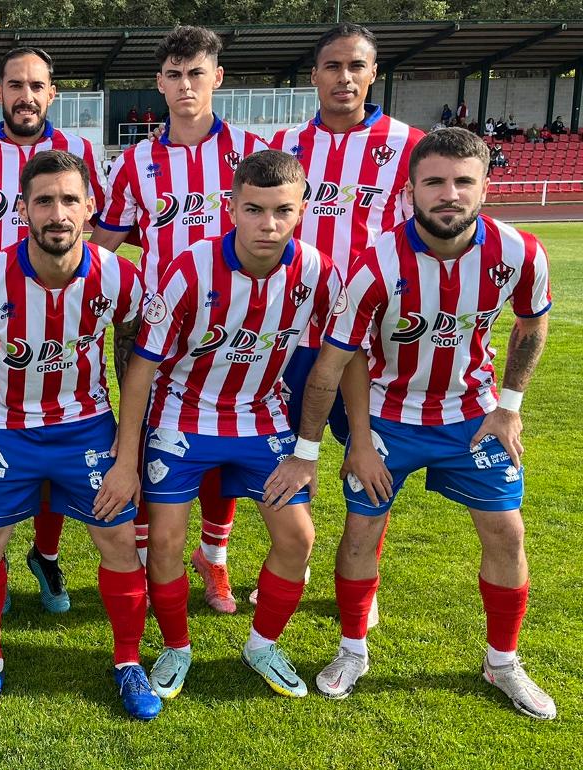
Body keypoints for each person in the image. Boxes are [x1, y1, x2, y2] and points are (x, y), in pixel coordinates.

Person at [264, 128, 556, 720]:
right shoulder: (377, 264)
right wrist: (348, 444)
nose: (449, 194)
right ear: (411, 191)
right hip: (389, 420)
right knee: (362, 534)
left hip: (472, 419)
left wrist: (509, 406)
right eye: (435, 182)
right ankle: (353, 650)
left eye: (463, 182)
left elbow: (531, 324)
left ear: (484, 188)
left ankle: (502, 662)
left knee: (507, 533)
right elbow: (335, 363)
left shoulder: (519, 252)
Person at [104, 150, 341, 700]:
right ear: (230, 207)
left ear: (302, 209)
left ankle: (262, 644)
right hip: (181, 415)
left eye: (283, 210)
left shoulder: (316, 270)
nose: (269, 224)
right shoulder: (190, 268)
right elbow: (142, 368)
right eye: (254, 210)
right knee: (162, 542)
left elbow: (342, 353)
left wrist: (309, 448)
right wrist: (126, 456)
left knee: (299, 538)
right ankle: (176, 646)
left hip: (262, 415)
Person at [0, 150, 159, 722]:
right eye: (43, 201)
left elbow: (138, 349)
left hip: (86, 430)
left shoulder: (120, 276)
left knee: (116, 541)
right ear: (24, 211)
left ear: (90, 207)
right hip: (4, 436)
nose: (57, 213)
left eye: (68, 200)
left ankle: (127, 660)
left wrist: (127, 450)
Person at [90, 25, 269, 610]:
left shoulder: (249, 154)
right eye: (174, 74)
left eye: (197, 73)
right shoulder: (136, 161)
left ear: (216, 77)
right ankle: (143, 559)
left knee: (223, 437)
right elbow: (106, 244)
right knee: (140, 438)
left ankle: (213, 557)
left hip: (241, 321)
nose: (186, 84)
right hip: (154, 322)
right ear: (159, 84)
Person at [0, 45, 109, 613]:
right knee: (1, 453)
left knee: (62, 441)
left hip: (63, 324)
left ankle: (47, 556)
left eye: (37, 85)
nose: (25, 96)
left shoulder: (78, 150)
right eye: (14, 85)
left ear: (51, 93)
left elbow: (94, 226)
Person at [267, 22, 424, 615]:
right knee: (281, 452)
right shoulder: (282, 143)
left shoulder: (409, 143)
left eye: (356, 66)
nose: (344, 77)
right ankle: (294, 559)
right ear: (314, 75)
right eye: (333, 66)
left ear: (372, 73)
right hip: (287, 333)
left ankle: (363, 575)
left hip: (372, 339)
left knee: (369, 455)